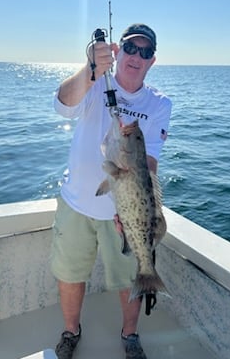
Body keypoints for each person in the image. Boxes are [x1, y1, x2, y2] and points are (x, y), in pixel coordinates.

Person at [51, 23, 172, 359]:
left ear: (152, 60)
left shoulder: (159, 103)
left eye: (145, 52)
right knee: (70, 273)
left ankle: (130, 336)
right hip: (76, 202)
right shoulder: (94, 84)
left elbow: (148, 162)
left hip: (122, 213)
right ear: (118, 51)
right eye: (131, 48)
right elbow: (62, 106)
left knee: (127, 279)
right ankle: (70, 331)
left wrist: (137, 212)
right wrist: (91, 69)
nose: (137, 56)